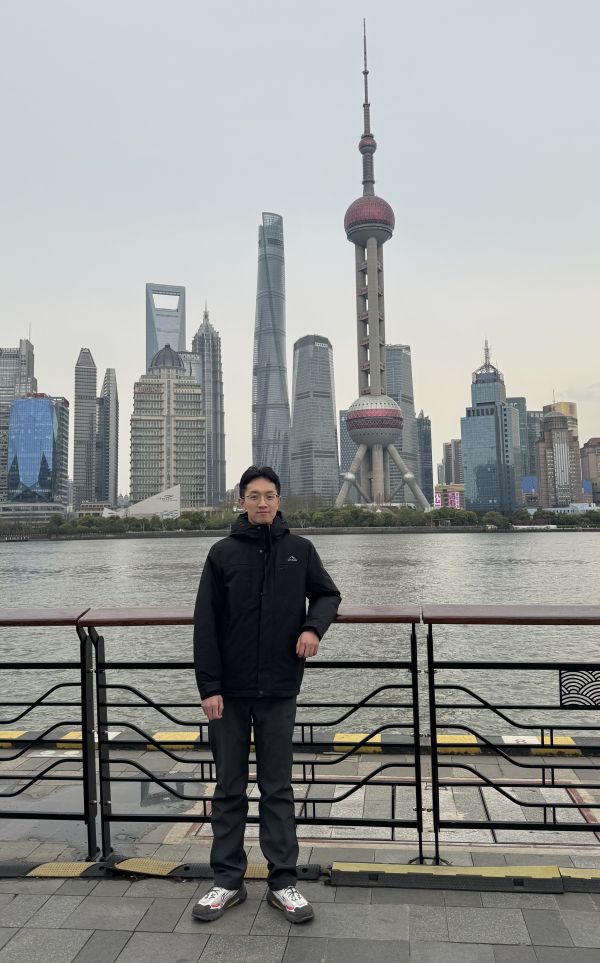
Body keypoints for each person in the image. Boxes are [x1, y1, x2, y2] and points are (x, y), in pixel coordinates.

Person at [191, 465, 341, 924]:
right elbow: (205, 624)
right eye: (253, 495)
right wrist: (209, 687)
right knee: (228, 787)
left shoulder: (300, 550)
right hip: (229, 693)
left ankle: (283, 883)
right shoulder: (222, 554)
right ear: (241, 501)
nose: (262, 503)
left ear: (279, 500)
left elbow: (328, 595)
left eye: (269, 495)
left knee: (278, 787)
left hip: (279, 687)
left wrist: (313, 629)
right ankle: (227, 881)